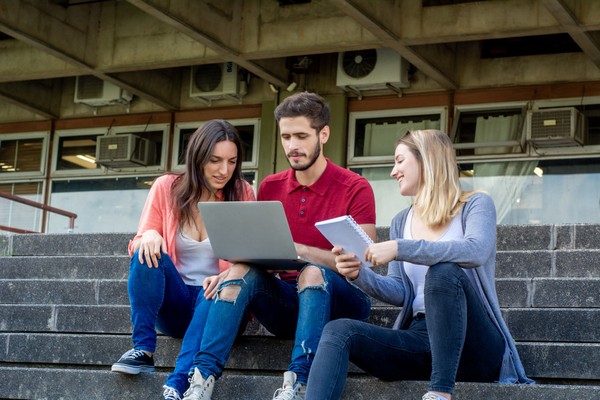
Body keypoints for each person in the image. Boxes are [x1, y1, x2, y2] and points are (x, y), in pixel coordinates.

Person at [304, 129, 534, 400]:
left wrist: (400, 248)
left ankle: (439, 393)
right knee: (338, 330)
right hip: (422, 338)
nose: (393, 171)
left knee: (443, 271)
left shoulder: (475, 204)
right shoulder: (402, 220)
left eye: (400, 161)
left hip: (474, 341)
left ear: (427, 160)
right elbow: (400, 291)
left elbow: (476, 251)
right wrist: (359, 275)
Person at [181, 91, 377, 400]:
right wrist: (235, 270)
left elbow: (364, 264)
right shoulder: (271, 185)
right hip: (287, 303)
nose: (292, 146)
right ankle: (200, 381)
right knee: (242, 268)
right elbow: (258, 250)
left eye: (301, 135)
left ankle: (297, 383)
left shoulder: (355, 187)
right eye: (286, 136)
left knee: (311, 273)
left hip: (342, 304)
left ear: (323, 134)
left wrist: (298, 251)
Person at [110, 120, 256, 400]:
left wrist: (227, 276)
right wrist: (150, 234)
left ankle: (177, 383)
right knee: (145, 252)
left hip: (219, 306)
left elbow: (250, 257)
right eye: (215, 160)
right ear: (197, 157)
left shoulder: (241, 193)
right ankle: (143, 348)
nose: (223, 170)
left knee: (214, 289)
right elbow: (141, 238)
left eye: (231, 161)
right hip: (176, 304)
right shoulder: (167, 187)